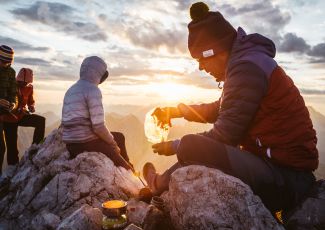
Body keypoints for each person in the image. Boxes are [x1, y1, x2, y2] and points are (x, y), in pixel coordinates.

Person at [143, 2, 318, 218]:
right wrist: (176, 111)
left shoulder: (247, 69)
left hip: (286, 178)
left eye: (200, 60)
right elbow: (222, 109)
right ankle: (159, 181)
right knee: (193, 146)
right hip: (278, 167)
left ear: (214, 52)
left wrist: (176, 145)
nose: (200, 68)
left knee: (191, 145)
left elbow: (224, 135)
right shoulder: (246, 63)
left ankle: (158, 183)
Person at [61, 56, 134, 171]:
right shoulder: (93, 90)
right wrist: (113, 144)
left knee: (119, 137)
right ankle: (130, 171)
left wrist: (111, 139)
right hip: (86, 143)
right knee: (122, 159)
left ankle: (128, 164)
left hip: (71, 144)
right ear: (97, 73)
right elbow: (98, 127)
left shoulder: (71, 89)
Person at [3, 68, 46, 170]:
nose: (23, 84)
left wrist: (31, 106)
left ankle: (35, 147)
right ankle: (12, 168)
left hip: (21, 115)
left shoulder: (29, 88)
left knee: (41, 121)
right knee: (12, 146)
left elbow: (31, 101)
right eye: (21, 82)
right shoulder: (11, 86)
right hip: (9, 118)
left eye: (26, 83)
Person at [0, 45, 17, 175]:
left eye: (7, 62)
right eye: (2, 61)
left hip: (6, 112)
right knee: (1, 147)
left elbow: (13, 94)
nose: (4, 64)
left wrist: (12, 104)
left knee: (10, 145)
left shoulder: (11, 72)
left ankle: (11, 172)